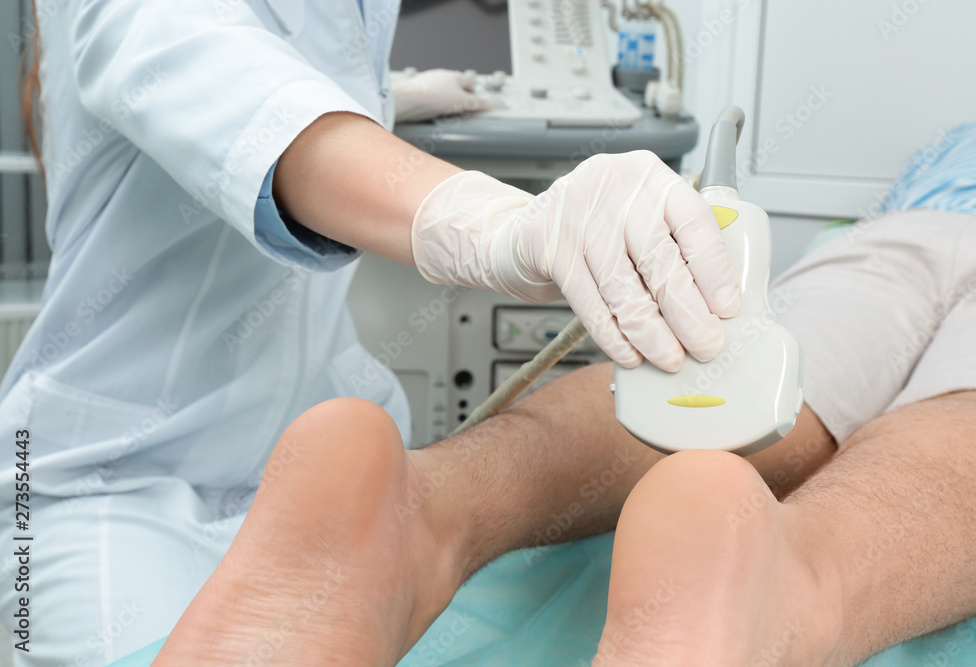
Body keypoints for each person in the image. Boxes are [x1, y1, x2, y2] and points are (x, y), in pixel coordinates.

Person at [0, 1, 742, 664]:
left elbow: (295, 75)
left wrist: (385, 102)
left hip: (318, 460)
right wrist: (507, 225)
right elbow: (240, 98)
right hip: (111, 482)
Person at [149, 121, 976, 665]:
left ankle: (428, 507)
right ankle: (791, 586)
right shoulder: (950, 143)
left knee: (738, 371)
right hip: (899, 230)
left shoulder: (945, 155)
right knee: (928, 406)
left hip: (893, 239)